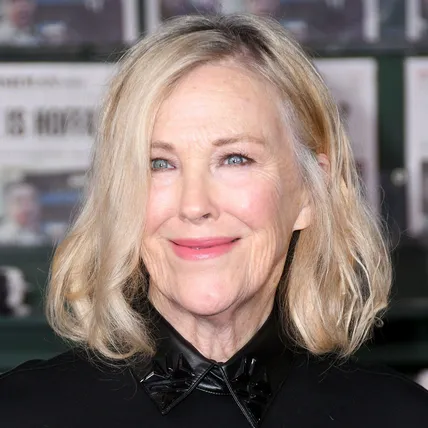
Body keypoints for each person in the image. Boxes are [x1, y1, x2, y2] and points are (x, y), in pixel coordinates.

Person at [0, 13, 427, 428]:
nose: (194, 205)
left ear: (309, 192)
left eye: (235, 159)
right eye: (159, 163)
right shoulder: (19, 412)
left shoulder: (400, 416)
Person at [0, 181, 49, 246]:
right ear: (7, 205)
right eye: (19, 201)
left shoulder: (49, 236)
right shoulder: (3, 238)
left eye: (31, 199)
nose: (26, 206)